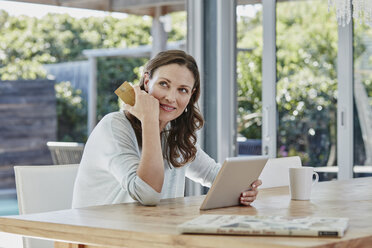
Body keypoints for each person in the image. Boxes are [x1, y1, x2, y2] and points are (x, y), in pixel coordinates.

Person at [72, 50, 262, 208]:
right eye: (164, 84)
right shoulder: (113, 127)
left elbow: (213, 174)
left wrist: (243, 188)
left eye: (183, 90)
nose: (171, 97)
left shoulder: (172, 133)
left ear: (191, 95)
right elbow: (147, 194)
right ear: (147, 82)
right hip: (103, 238)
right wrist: (149, 120)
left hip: (156, 234)